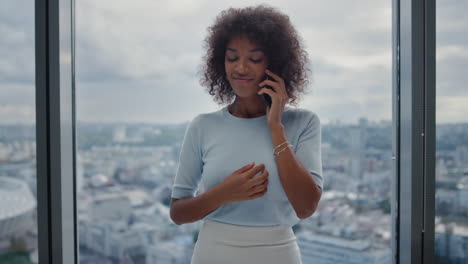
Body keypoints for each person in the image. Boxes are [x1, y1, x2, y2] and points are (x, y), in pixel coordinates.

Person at [169, 5, 323, 264]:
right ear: (221, 62)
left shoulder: (303, 122)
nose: (240, 68)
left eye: (254, 59)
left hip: (278, 254)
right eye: (232, 58)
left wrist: (275, 127)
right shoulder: (203, 126)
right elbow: (178, 213)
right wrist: (223, 193)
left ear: (275, 64)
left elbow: (306, 207)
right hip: (212, 253)